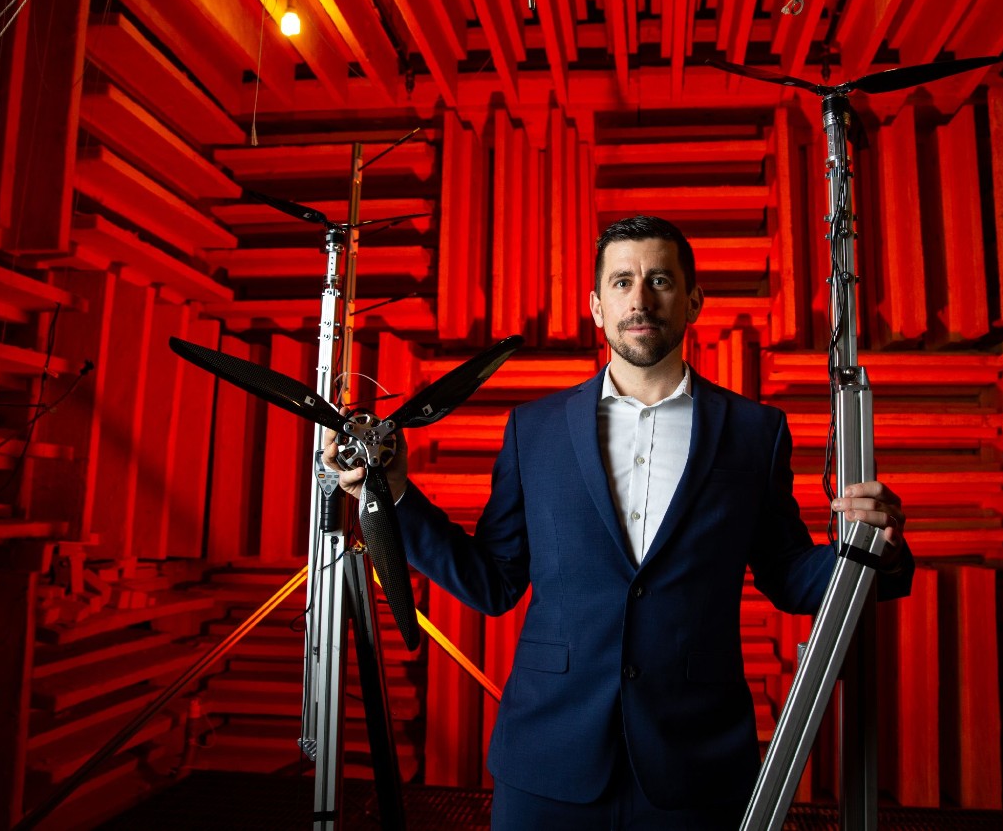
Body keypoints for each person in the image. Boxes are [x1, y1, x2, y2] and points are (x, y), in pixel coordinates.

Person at [323, 215, 914, 829]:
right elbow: (492, 581)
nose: (640, 297)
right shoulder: (535, 431)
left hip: (695, 766)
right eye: (622, 281)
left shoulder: (754, 433)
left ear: (693, 301)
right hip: (547, 760)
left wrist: (876, 550)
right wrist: (395, 495)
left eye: (660, 280)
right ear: (597, 307)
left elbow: (789, 573)